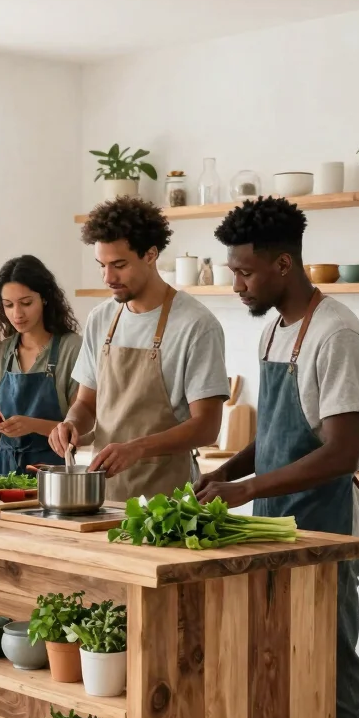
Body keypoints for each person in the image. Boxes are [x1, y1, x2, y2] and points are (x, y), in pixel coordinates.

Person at [195, 195, 359, 718]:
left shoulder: (335, 334)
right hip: (276, 532)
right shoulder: (278, 329)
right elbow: (274, 438)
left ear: (282, 264)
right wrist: (228, 468)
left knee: (334, 678)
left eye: (244, 273)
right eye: (231, 271)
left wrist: (247, 490)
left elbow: (343, 450)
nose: (236, 283)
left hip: (325, 532)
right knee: (278, 677)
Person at [49, 197, 228, 500]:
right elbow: (87, 404)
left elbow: (207, 427)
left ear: (150, 254)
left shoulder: (196, 325)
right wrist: (70, 424)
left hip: (166, 499)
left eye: (119, 265)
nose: (108, 278)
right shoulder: (101, 318)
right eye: (102, 266)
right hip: (102, 494)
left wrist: (138, 448)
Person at [0, 255, 82, 474]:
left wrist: (32, 425)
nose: (17, 314)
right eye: (8, 305)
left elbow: (81, 429)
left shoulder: (71, 347)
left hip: (52, 472)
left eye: (26, 303)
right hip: (2, 471)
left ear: (44, 298)